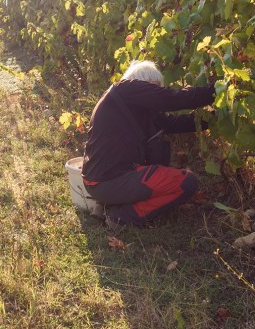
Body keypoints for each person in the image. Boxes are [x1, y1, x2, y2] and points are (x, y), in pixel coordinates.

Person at [82, 60, 215, 231]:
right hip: (110, 180)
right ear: (143, 82)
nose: (157, 93)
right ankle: (122, 217)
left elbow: (176, 123)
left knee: (166, 174)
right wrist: (216, 90)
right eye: (155, 88)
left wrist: (215, 119)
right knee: (186, 183)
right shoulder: (125, 88)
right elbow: (172, 98)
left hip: (101, 181)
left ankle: (106, 205)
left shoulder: (128, 106)